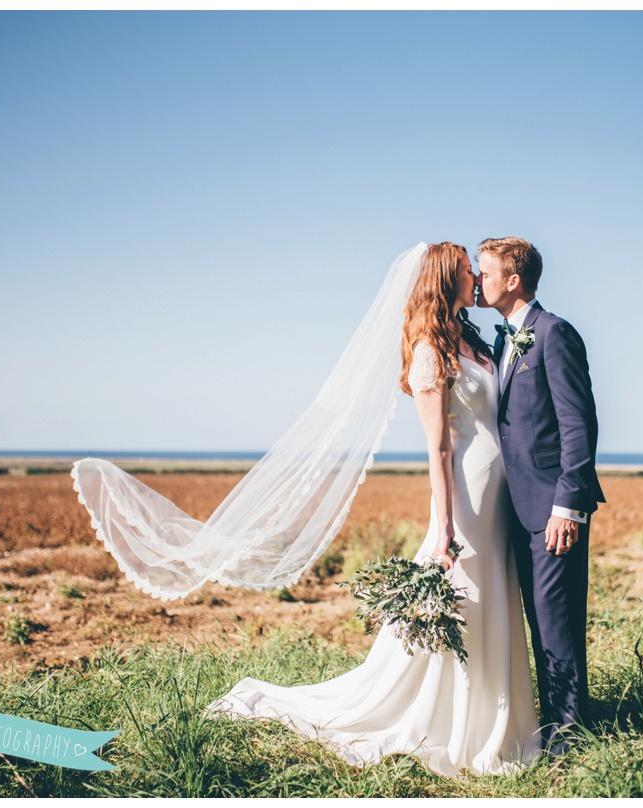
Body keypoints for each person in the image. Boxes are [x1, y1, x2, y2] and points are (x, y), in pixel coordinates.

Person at [204, 242, 542, 777]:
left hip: (500, 495)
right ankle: (457, 723)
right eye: (464, 270)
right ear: (442, 278)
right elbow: (439, 448)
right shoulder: (430, 351)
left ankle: (502, 717)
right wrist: (445, 527)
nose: (475, 276)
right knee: (467, 598)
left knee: (495, 595)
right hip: (467, 496)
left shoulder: (472, 337)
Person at [474, 237, 605, 755]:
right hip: (518, 510)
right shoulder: (506, 341)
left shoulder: (554, 334)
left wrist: (567, 506)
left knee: (556, 621)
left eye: (484, 272)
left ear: (513, 279)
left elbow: (579, 426)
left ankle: (571, 739)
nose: (478, 280)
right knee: (535, 619)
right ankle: (555, 723)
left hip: (554, 510)